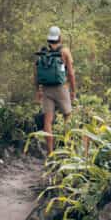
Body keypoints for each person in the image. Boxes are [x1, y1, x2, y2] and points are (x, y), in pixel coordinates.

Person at [35, 25, 76, 155]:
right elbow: (71, 73)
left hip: (46, 89)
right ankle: (68, 150)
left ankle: (50, 153)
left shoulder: (42, 51)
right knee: (68, 117)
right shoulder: (65, 51)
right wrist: (73, 90)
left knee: (48, 121)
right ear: (59, 37)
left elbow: (35, 73)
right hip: (61, 88)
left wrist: (38, 90)